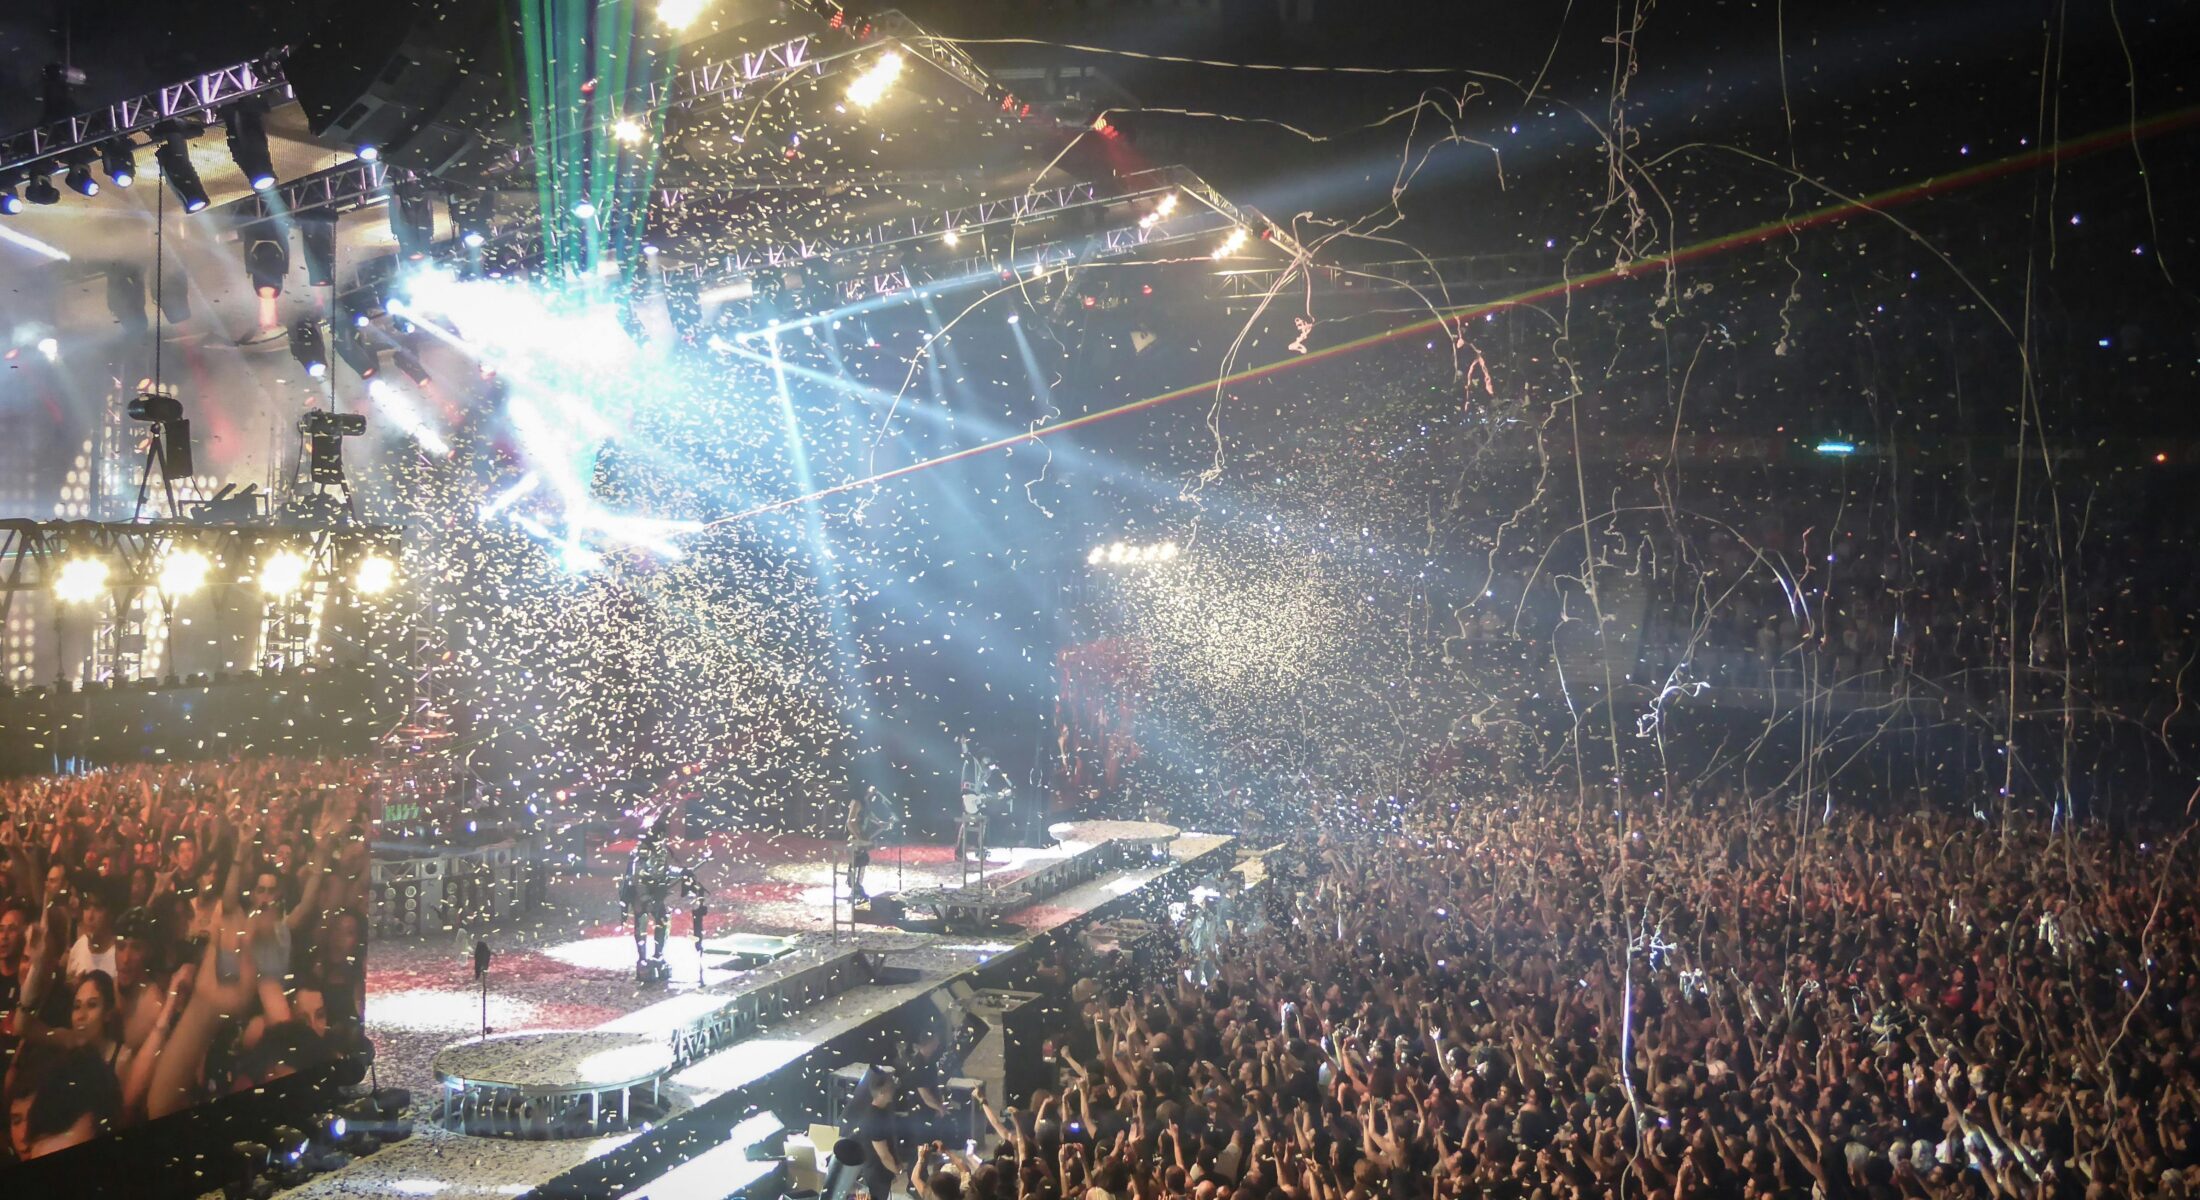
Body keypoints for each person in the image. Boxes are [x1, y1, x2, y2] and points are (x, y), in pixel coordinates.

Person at [856, 1070, 904, 1200]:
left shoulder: (881, 1112)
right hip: (877, 1173)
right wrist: (896, 1170)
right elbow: (883, 1154)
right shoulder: (874, 1118)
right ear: (881, 1092)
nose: (893, 1091)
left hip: (879, 1171)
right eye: (890, 1089)